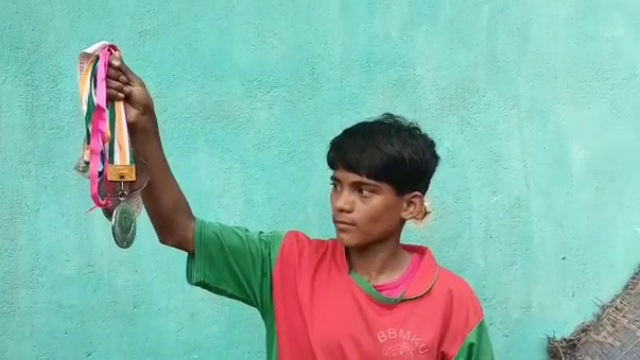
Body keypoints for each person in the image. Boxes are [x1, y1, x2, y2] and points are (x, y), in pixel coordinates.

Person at [105, 52, 495, 360]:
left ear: (410, 206)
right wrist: (144, 128)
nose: (342, 204)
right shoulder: (286, 264)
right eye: (336, 185)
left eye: (363, 191)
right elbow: (178, 230)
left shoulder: (452, 302)